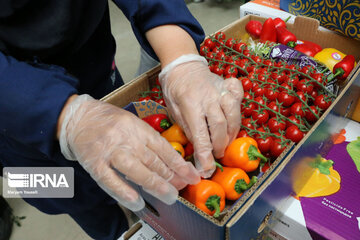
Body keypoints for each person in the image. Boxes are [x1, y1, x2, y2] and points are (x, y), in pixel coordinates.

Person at [0, 1, 243, 239]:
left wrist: (181, 57)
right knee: (71, 201)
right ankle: (112, 233)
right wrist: (62, 115)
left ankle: (141, 223)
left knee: (136, 177)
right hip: (15, 129)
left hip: (97, 74)